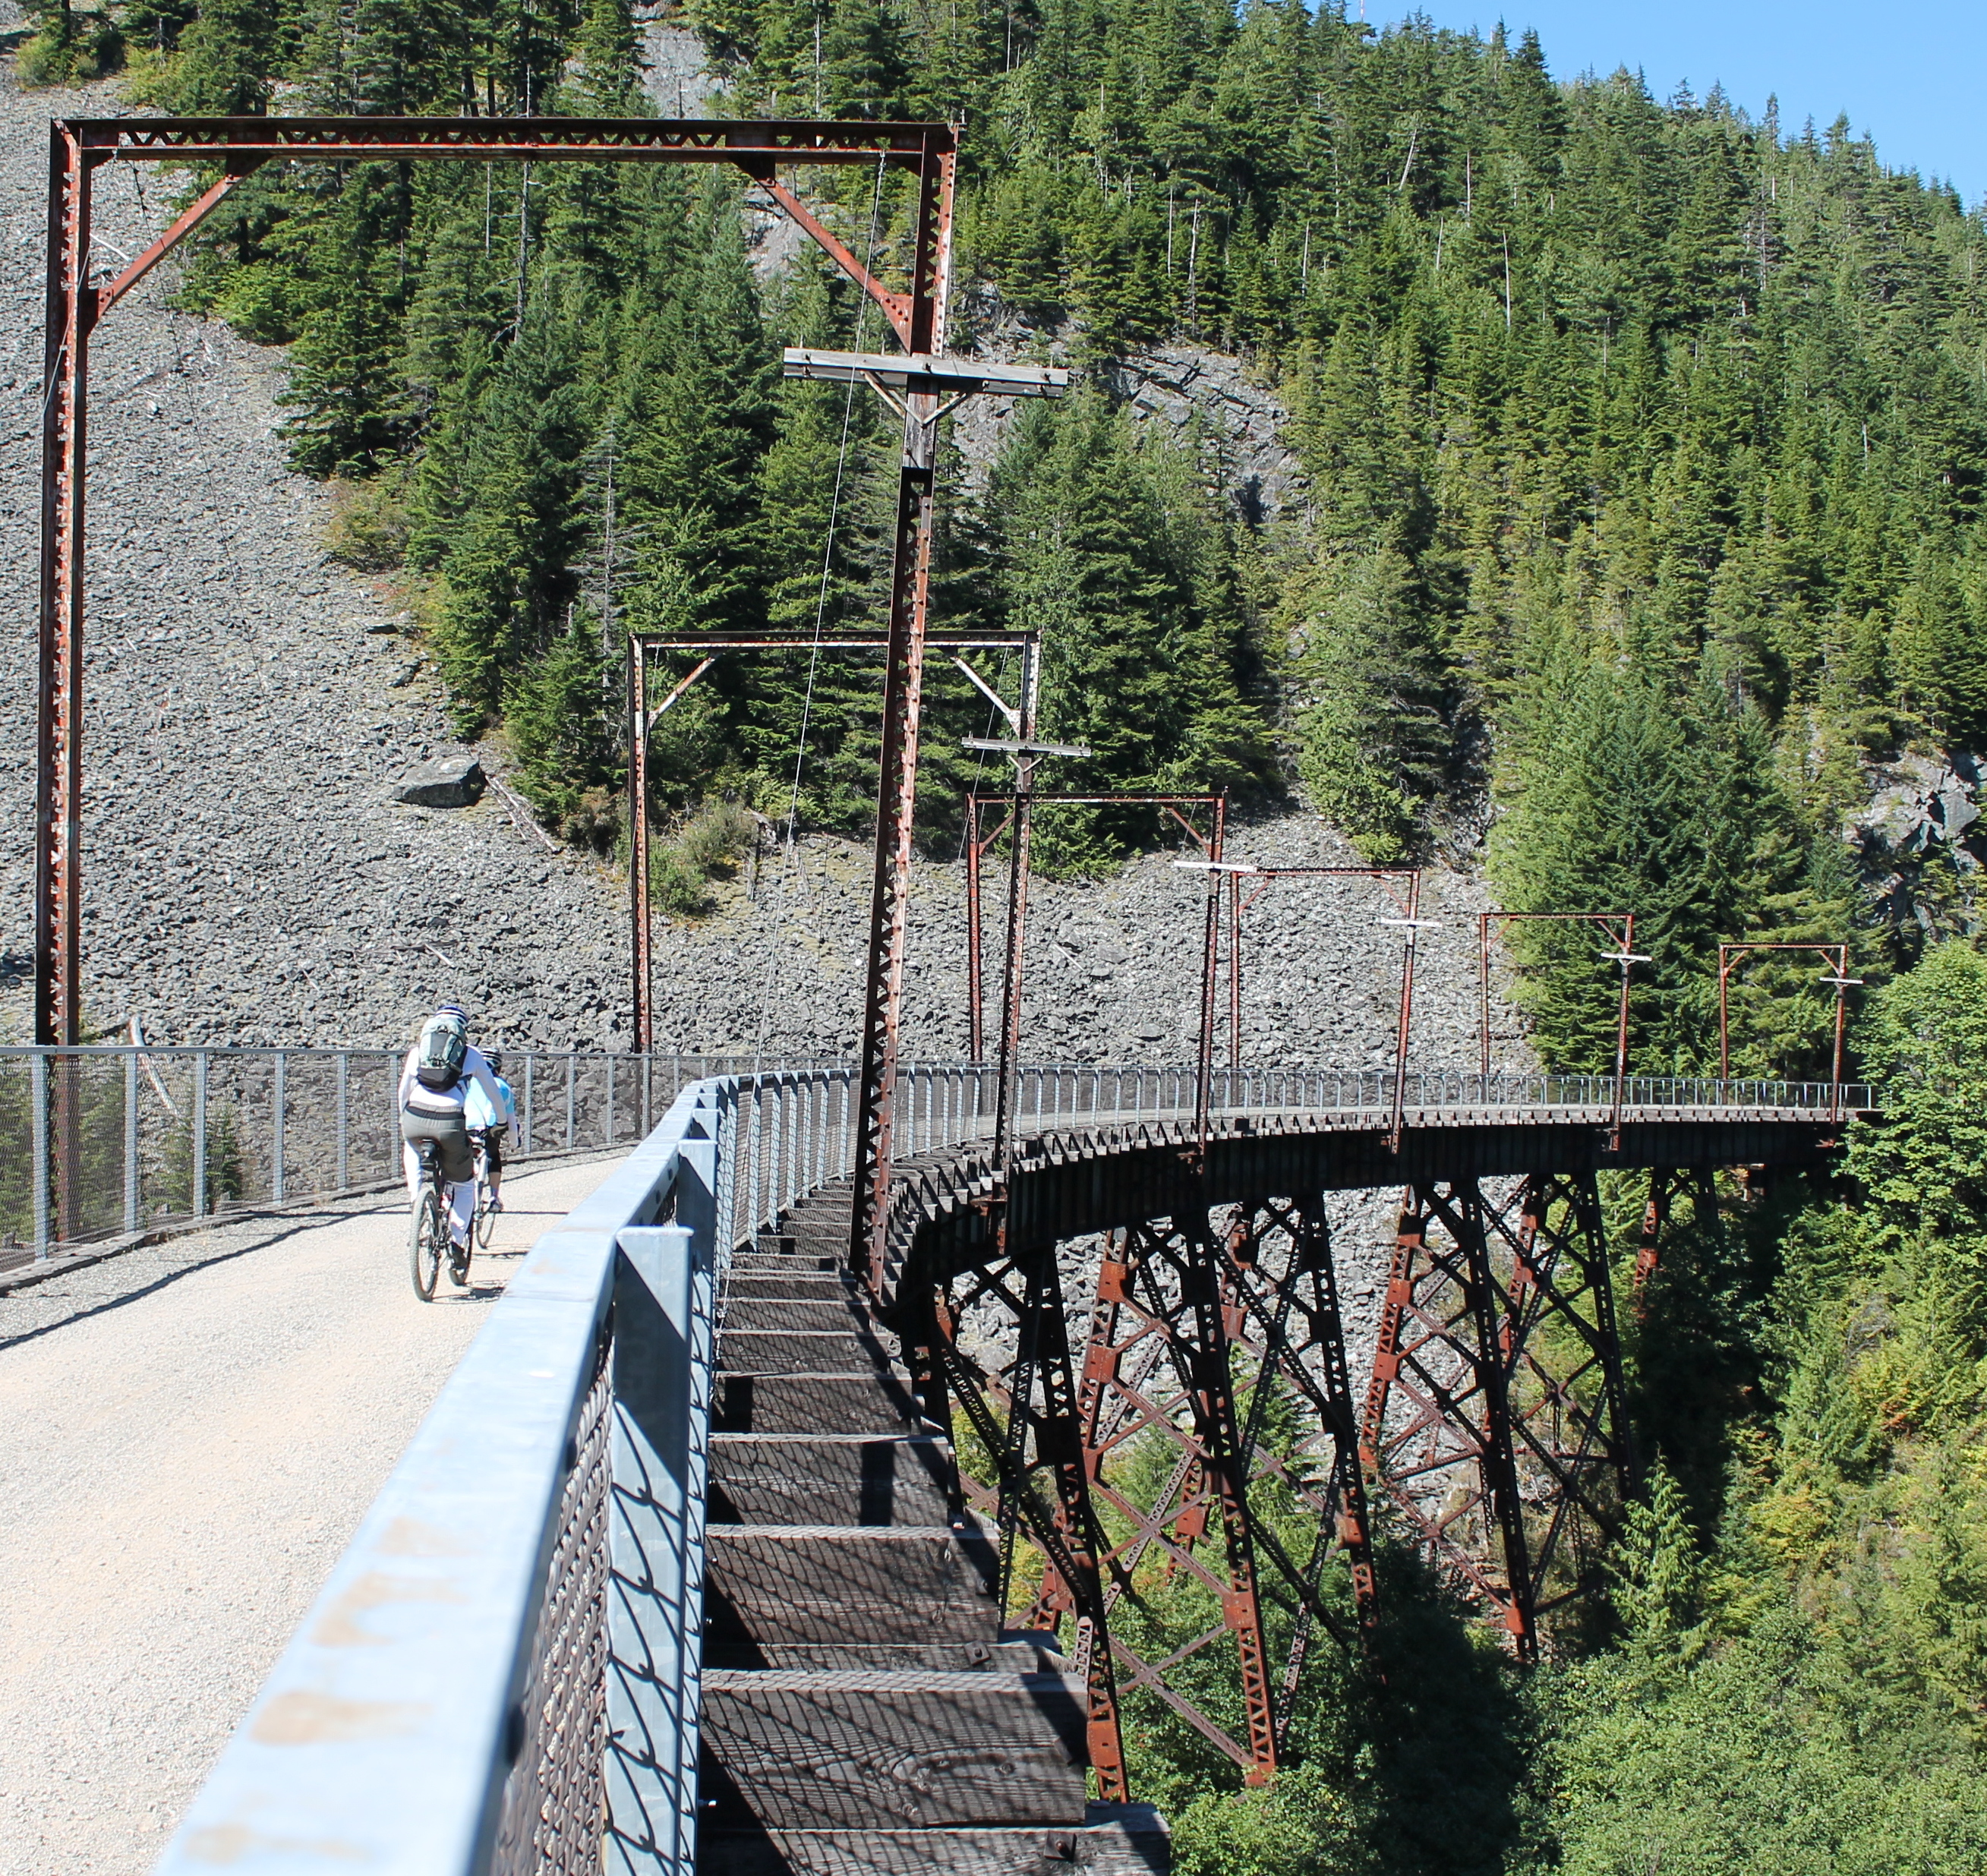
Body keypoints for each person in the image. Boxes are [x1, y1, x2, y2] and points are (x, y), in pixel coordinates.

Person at [398, 1003, 515, 1260]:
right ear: (462, 1030)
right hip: (450, 1122)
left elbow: (404, 1089)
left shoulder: (417, 1051)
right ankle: (458, 1241)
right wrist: (500, 1121)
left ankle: (416, 1198)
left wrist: (403, 1116)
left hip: (415, 1116)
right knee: (464, 1184)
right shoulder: (472, 1055)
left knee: (411, 1145)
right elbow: (494, 1094)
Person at [465, 1048, 518, 1211]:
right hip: (490, 1128)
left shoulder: (467, 1081)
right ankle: (494, 1197)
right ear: (499, 1067)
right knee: (493, 1156)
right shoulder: (503, 1087)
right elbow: (511, 1120)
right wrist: (514, 1143)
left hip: (466, 1125)